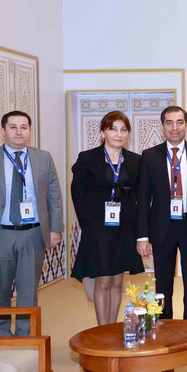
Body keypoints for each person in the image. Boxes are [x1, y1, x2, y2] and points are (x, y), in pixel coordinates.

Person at [0, 111, 64, 336]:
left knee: (29, 291)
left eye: (24, 127)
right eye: (13, 127)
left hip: (34, 234)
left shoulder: (43, 158)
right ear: (3, 130)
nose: (19, 132)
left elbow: (54, 196)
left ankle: (25, 336)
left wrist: (56, 228)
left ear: (29, 131)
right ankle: (0, 335)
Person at [136, 106, 187, 321]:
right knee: (163, 284)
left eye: (179, 122)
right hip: (162, 228)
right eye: (169, 123)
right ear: (162, 126)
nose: (175, 127)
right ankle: (165, 325)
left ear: (186, 125)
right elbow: (143, 200)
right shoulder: (150, 156)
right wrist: (142, 236)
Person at [70, 111, 145, 326]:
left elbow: (139, 196)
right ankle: (102, 330)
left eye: (123, 129)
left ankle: (112, 328)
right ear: (103, 132)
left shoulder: (135, 160)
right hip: (98, 229)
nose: (118, 134)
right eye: (113, 128)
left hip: (125, 228)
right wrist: (89, 226)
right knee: (102, 280)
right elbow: (78, 195)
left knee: (117, 280)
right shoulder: (88, 158)